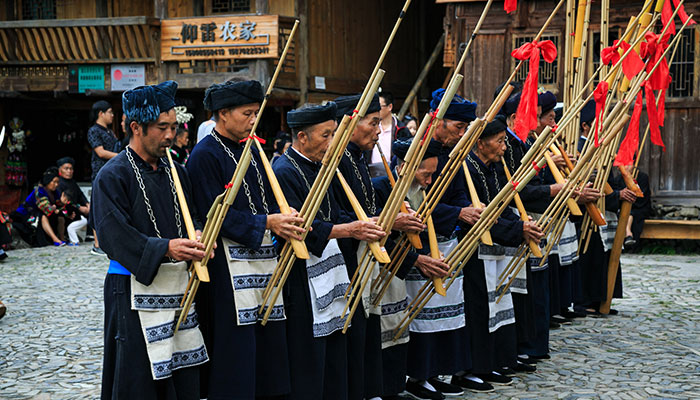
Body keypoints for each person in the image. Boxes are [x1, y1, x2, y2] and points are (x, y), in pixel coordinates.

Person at [186, 79, 304, 400]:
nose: (254, 120)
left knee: (268, 340)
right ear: (222, 114)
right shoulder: (205, 154)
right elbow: (213, 213)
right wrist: (267, 221)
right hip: (227, 266)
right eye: (247, 113)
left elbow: (263, 198)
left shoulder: (253, 148)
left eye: (256, 113)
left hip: (262, 258)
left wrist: (283, 213)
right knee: (236, 346)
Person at [92, 80, 209, 400]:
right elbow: (112, 236)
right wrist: (166, 248)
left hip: (177, 288)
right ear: (136, 127)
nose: (171, 135)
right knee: (137, 377)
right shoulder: (112, 174)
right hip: (131, 288)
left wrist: (198, 235)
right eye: (162, 127)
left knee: (180, 373)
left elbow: (194, 217)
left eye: (174, 126)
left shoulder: (177, 171)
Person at [274, 102, 386, 399]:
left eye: (334, 134)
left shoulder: (324, 167)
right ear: (302, 138)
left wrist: (364, 222)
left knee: (336, 341)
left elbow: (334, 213)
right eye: (326, 135)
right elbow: (301, 228)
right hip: (300, 274)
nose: (332, 141)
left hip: (332, 266)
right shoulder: (284, 170)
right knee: (309, 351)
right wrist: (350, 230)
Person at [462, 116, 544, 389]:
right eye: (499, 142)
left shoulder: (494, 168)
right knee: (479, 310)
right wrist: (517, 229)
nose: (504, 148)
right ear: (481, 144)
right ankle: (476, 367)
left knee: (498, 307)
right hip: (473, 251)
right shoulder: (467, 169)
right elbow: (481, 215)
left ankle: (494, 362)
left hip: (496, 249)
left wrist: (522, 226)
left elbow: (501, 209)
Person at [87, 100, 117, 256]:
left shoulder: (110, 132)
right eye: (110, 112)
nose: (112, 115)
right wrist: (121, 157)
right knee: (98, 205)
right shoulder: (93, 131)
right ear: (101, 113)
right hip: (100, 171)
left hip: (113, 171)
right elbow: (101, 152)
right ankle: (97, 243)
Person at [11, 167, 65, 247]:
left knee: (61, 217)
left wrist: (62, 204)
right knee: (42, 216)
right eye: (54, 182)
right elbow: (46, 209)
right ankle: (55, 239)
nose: (56, 185)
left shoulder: (55, 192)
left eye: (57, 182)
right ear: (47, 181)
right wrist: (54, 208)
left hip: (41, 212)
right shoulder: (39, 191)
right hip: (26, 213)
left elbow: (59, 206)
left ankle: (62, 238)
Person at [57, 157, 89, 245]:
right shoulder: (59, 183)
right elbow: (63, 202)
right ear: (60, 170)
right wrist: (79, 207)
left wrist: (87, 204)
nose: (69, 171)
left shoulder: (72, 182)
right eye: (66, 169)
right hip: (67, 210)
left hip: (76, 209)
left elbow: (80, 195)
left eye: (71, 169)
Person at [369, 91, 401, 177]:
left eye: (380, 106)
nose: (377, 110)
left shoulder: (401, 129)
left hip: (392, 174)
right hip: (371, 172)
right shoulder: (371, 127)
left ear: (390, 107)